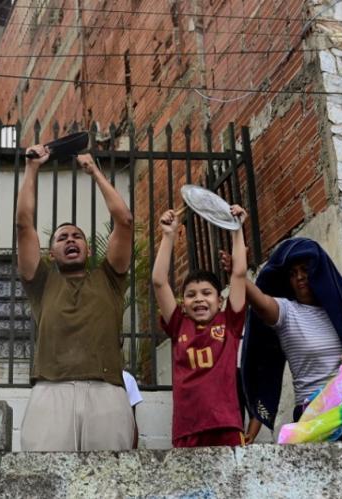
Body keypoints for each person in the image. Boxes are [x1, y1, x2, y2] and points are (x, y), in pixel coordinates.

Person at [16, 147, 135, 452]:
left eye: (77, 236)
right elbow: (23, 225)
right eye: (62, 238)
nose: (70, 240)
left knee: (109, 484)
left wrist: (94, 170)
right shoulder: (41, 282)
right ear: (50, 253)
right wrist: (31, 169)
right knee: (44, 481)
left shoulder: (109, 278)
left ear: (88, 249)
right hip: (50, 392)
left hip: (107, 392)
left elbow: (124, 221)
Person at [239, 237, 342, 443]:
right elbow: (261, 303)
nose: (299, 277)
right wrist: (240, 275)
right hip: (315, 416)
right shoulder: (287, 312)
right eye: (292, 273)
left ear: (319, 271)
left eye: (305, 269)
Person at [152, 205, 249, 447]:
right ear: (182, 304)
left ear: (220, 300)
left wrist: (237, 229)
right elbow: (158, 281)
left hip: (226, 424)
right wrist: (168, 235)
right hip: (188, 429)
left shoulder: (230, 322)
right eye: (191, 294)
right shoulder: (178, 325)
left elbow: (238, 273)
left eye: (206, 293)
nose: (199, 299)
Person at [122, 370, 144, 449]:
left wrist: (132, 453)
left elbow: (132, 422)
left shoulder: (127, 378)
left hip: (122, 443)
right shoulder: (89, 377)